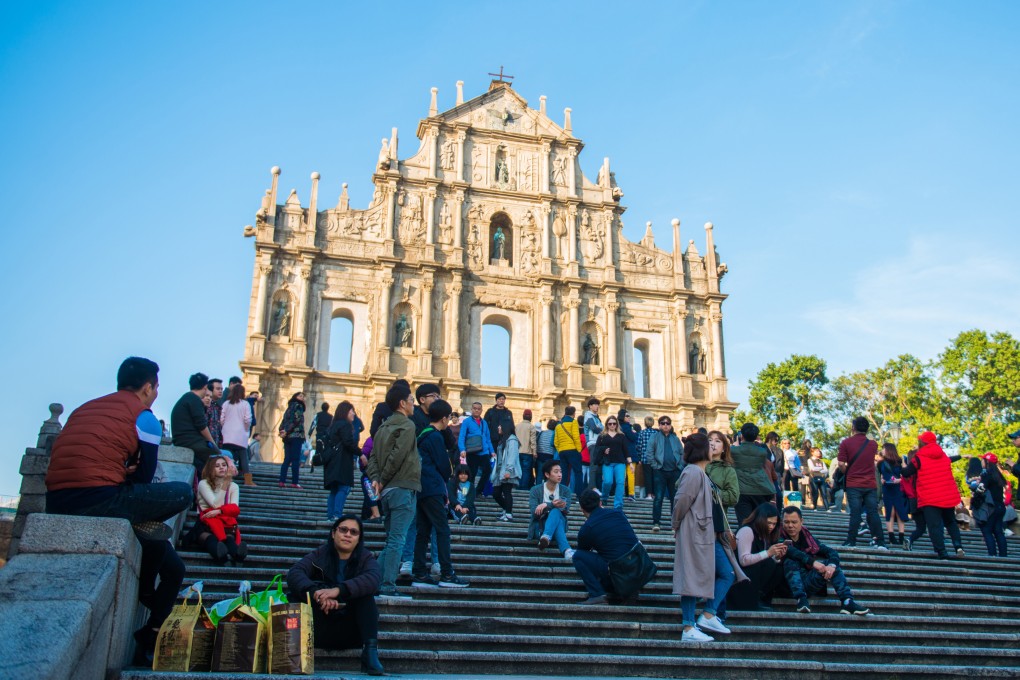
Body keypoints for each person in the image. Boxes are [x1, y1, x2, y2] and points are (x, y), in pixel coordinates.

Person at [45, 357, 191, 665]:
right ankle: (148, 595)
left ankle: (149, 633)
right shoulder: (145, 417)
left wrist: (122, 472)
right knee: (182, 492)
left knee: (175, 567)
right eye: (156, 388)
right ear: (148, 387)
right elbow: (145, 476)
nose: (155, 394)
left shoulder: (84, 409)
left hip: (56, 500)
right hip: (103, 500)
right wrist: (129, 474)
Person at [286, 515, 385, 676]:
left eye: (353, 532)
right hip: (318, 627)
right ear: (333, 533)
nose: (347, 535)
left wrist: (338, 591)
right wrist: (316, 595)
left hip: (350, 630)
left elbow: (373, 579)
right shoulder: (320, 554)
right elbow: (295, 573)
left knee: (366, 596)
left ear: (359, 539)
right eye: (343, 530)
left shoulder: (365, 558)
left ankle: (370, 653)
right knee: (294, 596)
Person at [673, 433, 734, 642]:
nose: (712, 448)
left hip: (709, 532)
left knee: (726, 573)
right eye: (709, 444)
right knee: (692, 578)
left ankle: (707, 614)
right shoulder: (692, 472)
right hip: (695, 531)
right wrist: (676, 524)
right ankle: (689, 627)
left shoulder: (701, 472)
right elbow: (681, 500)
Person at [366, 383, 419, 598]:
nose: (413, 404)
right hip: (403, 487)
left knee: (393, 540)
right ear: (402, 403)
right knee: (398, 540)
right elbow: (397, 456)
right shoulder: (407, 426)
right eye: (411, 400)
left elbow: (372, 459)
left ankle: (370, 580)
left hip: (387, 492)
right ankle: (386, 585)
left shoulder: (382, 428)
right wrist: (384, 478)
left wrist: (377, 480)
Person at [412, 399, 469, 588]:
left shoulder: (422, 435)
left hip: (421, 488)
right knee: (443, 529)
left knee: (424, 531)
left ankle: (419, 573)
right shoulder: (435, 436)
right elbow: (444, 465)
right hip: (433, 487)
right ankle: (447, 574)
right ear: (444, 419)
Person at [780, 506, 869, 615]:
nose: (790, 525)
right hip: (787, 585)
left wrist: (832, 565)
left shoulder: (808, 538)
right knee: (790, 561)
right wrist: (813, 562)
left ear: (801, 521)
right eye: (786, 522)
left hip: (808, 582)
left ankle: (847, 602)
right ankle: (801, 599)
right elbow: (791, 551)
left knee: (831, 566)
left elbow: (831, 552)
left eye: (794, 522)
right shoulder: (778, 536)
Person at [572, 489, 643, 605]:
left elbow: (583, 551)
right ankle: (627, 588)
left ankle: (597, 594)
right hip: (638, 568)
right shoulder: (618, 513)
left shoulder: (587, 527)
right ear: (600, 503)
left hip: (617, 570)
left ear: (582, 509)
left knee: (578, 556)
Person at [902, 431, 963, 559]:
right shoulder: (943, 455)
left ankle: (942, 552)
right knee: (951, 522)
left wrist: (897, 465)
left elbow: (907, 473)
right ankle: (958, 546)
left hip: (929, 497)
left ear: (922, 443)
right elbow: (951, 460)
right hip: (947, 495)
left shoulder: (919, 457)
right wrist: (961, 456)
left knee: (934, 526)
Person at [837, 417, 887, 550]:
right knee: (873, 512)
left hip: (853, 482)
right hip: (870, 483)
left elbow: (841, 463)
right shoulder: (873, 444)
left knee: (855, 512)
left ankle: (851, 540)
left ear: (853, 428)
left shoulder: (846, 443)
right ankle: (880, 540)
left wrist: (847, 471)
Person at [729, 502, 789, 611]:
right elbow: (744, 560)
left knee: (778, 567)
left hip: (751, 576)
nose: (771, 527)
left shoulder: (762, 535)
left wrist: (776, 556)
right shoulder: (747, 531)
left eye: (774, 524)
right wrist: (768, 553)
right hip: (739, 577)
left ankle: (761, 598)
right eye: (769, 523)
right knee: (768, 563)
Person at [195, 454, 248, 564]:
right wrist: (225, 485)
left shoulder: (233, 486)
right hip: (206, 521)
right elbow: (215, 503)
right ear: (210, 469)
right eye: (217, 466)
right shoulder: (203, 484)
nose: (221, 468)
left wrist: (220, 511)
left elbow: (234, 509)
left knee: (229, 538)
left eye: (224, 465)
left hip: (225, 521)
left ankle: (239, 555)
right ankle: (222, 557)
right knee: (211, 539)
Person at [171, 372, 219, 473]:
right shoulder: (194, 399)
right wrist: (213, 444)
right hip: (189, 441)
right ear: (205, 387)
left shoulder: (187, 398)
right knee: (220, 458)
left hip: (183, 440)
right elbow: (202, 426)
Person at [730, 423, 776, 527]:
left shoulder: (733, 450)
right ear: (756, 437)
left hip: (742, 490)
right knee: (759, 522)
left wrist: (735, 444)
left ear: (741, 436)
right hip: (761, 488)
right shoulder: (762, 452)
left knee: (744, 522)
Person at [528, 460, 575, 559]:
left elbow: (566, 510)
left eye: (561, 472)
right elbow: (534, 512)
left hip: (557, 527)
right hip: (540, 528)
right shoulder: (535, 490)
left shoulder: (565, 490)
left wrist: (546, 505)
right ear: (547, 474)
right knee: (556, 510)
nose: (560, 475)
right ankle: (566, 550)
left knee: (556, 512)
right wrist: (552, 505)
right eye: (556, 472)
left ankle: (546, 537)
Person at [323, 401, 360, 521]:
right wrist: (361, 454)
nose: (353, 413)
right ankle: (337, 514)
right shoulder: (345, 425)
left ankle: (330, 515)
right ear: (346, 411)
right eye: (352, 411)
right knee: (343, 488)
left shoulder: (333, 425)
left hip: (332, 461)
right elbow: (348, 442)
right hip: (342, 461)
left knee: (334, 490)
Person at [648, 415, 683, 532]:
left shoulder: (675, 438)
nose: (665, 425)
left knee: (675, 498)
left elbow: (682, 453)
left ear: (670, 425)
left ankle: (674, 524)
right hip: (660, 471)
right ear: (659, 425)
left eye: (667, 423)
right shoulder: (654, 437)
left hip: (674, 472)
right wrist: (655, 466)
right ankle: (656, 522)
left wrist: (680, 465)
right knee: (658, 498)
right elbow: (650, 453)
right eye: (663, 423)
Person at [457, 401, 495, 505]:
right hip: (472, 452)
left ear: (481, 410)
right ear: (471, 409)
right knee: (471, 474)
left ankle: (478, 491)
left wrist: (492, 451)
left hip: (484, 451)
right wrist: (462, 449)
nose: (476, 410)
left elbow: (488, 438)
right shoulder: (467, 422)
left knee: (487, 470)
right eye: (474, 408)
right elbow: (462, 437)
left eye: (478, 409)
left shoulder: (484, 423)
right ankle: (470, 493)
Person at [220, 382, 255, 486]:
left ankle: (226, 480)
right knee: (243, 458)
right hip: (240, 435)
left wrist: (225, 427)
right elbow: (248, 419)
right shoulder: (245, 404)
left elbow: (221, 419)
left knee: (227, 458)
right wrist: (245, 429)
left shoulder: (226, 403)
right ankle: (247, 481)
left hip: (227, 435)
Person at [975, 452, 1008, 557]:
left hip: (991, 507)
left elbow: (980, 490)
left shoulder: (987, 475)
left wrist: (975, 486)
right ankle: (1003, 555)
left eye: (983, 459)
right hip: (1000, 506)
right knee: (998, 531)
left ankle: (992, 555)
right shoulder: (999, 475)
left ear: (987, 462)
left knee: (987, 530)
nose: (981, 461)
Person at [597, 415, 632, 510]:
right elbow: (597, 448)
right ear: (607, 425)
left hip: (620, 462)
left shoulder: (621, 436)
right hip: (607, 462)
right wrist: (604, 450)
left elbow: (626, 450)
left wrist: (630, 463)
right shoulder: (602, 436)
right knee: (608, 481)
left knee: (620, 482)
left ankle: (618, 504)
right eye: (610, 423)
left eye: (614, 423)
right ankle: (604, 497)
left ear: (617, 424)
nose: (612, 425)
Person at [878, 443, 908, 546]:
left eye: (884, 448)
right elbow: (881, 474)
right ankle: (891, 536)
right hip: (887, 488)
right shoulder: (881, 463)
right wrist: (882, 479)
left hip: (898, 488)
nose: (882, 450)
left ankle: (901, 536)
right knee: (889, 512)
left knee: (900, 512)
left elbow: (906, 475)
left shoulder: (900, 461)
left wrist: (898, 480)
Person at [278, 392, 307, 488]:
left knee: (287, 459)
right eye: (300, 396)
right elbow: (296, 420)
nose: (302, 398)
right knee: (295, 459)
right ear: (295, 397)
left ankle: (282, 481)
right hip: (296, 435)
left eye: (303, 396)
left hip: (287, 437)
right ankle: (294, 482)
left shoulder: (289, 408)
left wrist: (282, 431)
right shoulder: (299, 406)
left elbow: (283, 420)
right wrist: (286, 430)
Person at [706, 430, 739, 511]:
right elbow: (679, 485)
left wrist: (711, 492)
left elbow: (734, 497)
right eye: (709, 440)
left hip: (716, 517)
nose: (712, 443)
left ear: (724, 448)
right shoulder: (696, 464)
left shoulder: (728, 470)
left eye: (717, 441)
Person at [493, 429, 522, 521]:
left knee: (506, 491)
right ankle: (506, 509)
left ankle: (508, 514)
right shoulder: (502, 439)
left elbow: (512, 455)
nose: (498, 428)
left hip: (507, 470)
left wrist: (509, 470)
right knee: (496, 493)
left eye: (500, 426)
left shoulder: (512, 440)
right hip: (500, 471)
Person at [553, 406, 583, 494]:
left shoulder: (558, 425)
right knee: (578, 472)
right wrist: (579, 450)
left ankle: (562, 494)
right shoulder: (573, 422)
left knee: (564, 474)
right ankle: (579, 494)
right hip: (572, 450)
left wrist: (560, 450)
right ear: (574, 413)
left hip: (562, 452)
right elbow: (576, 437)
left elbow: (556, 442)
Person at [583, 398, 604, 489]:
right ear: (590, 406)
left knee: (598, 467)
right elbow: (595, 429)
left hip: (597, 443)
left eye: (598, 404)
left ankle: (596, 487)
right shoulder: (588, 416)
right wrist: (603, 431)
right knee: (593, 466)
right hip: (592, 443)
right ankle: (592, 487)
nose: (597, 406)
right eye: (595, 404)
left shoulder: (596, 418)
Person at [515, 409, 538, 490]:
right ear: (531, 417)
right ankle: (524, 487)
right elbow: (533, 441)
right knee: (526, 471)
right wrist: (534, 452)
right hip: (527, 453)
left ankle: (517, 486)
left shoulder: (517, 426)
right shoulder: (531, 427)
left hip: (517, 452)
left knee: (518, 470)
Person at [636, 416, 657, 502]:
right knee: (655, 477)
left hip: (645, 458)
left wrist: (639, 457)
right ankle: (654, 494)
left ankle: (648, 494)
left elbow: (639, 446)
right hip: (655, 459)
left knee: (647, 477)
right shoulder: (656, 433)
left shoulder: (642, 433)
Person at [308, 402, 333, 473]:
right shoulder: (331, 416)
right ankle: (324, 461)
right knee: (325, 448)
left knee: (318, 448)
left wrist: (310, 433)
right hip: (327, 435)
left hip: (319, 433)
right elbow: (332, 426)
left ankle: (316, 462)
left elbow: (314, 424)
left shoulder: (318, 415)